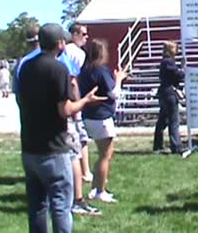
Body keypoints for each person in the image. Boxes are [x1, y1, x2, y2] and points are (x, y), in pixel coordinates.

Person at [18, 23, 104, 233]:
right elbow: (65, 110)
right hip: (53, 148)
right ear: (60, 43)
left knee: (37, 206)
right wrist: (85, 101)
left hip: (29, 147)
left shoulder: (25, 66)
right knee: (61, 205)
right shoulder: (58, 69)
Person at [79, 39, 127, 203]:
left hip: (88, 115)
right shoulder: (101, 70)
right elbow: (114, 94)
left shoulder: (84, 70)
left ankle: (95, 187)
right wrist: (119, 78)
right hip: (102, 116)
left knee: (101, 154)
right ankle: (100, 191)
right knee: (105, 155)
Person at [65, 23, 94, 183]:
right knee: (81, 137)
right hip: (73, 98)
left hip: (64, 98)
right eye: (83, 34)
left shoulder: (65, 51)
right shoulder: (77, 53)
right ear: (74, 34)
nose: (86, 37)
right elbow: (73, 80)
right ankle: (85, 171)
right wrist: (79, 102)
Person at [153, 41, 187, 155]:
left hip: (164, 93)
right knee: (173, 120)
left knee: (163, 121)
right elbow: (178, 75)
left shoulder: (165, 62)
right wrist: (183, 69)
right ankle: (176, 146)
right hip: (169, 94)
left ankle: (158, 146)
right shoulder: (168, 62)